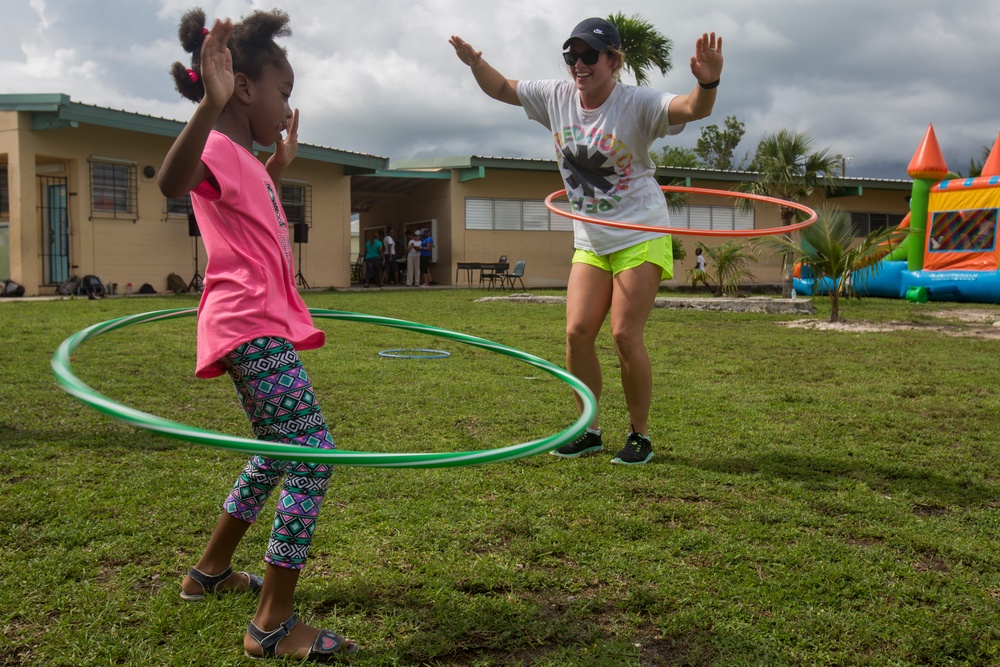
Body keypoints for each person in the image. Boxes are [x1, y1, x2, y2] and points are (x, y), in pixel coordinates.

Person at [157, 8, 357, 660]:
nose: (288, 104)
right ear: (243, 89)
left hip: (257, 325)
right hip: (248, 328)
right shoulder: (214, 146)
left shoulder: (244, 160)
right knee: (313, 453)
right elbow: (172, 182)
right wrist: (207, 110)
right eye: (284, 92)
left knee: (279, 451)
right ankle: (271, 621)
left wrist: (278, 164)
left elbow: (244, 214)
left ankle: (208, 572)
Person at [451, 18, 723, 465]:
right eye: (571, 55)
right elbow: (501, 88)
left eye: (589, 55)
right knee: (577, 333)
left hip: (641, 231)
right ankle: (588, 429)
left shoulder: (636, 103)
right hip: (591, 238)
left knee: (623, 333)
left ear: (613, 60)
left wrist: (708, 81)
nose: (578, 64)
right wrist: (476, 62)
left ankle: (640, 435)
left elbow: (695, 108)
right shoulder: (556, 97)